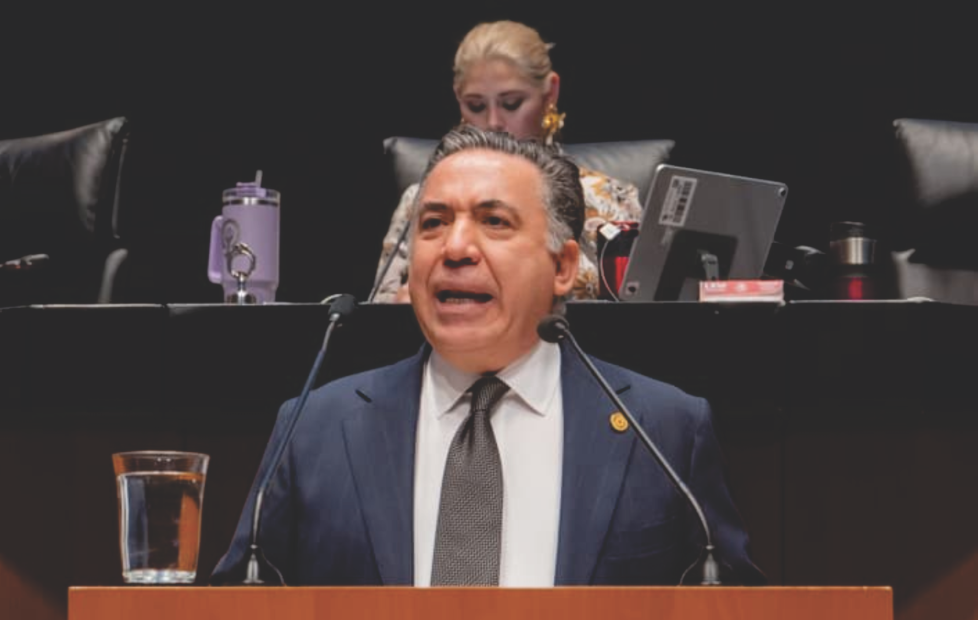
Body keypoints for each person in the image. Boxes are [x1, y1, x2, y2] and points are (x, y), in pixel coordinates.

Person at [212, 126, 763, 587]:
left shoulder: (665, 431)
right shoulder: (314, 428)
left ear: (562, 267)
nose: (454, 248)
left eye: (494, 221)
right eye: (433, 223)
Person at [372, 20, 642, 303]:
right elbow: (378, 311)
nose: (493, 122)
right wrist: (402, 306)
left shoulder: (612, 198)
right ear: (458, 98)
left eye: (511, 103)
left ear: (550, 92)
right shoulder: (425, 199)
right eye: (476, 106)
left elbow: (641, 310)